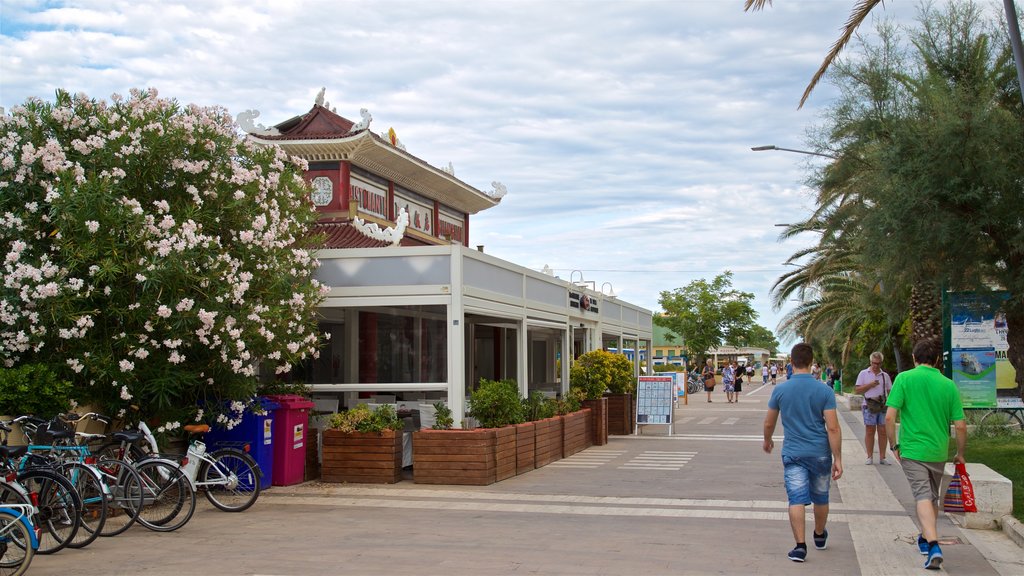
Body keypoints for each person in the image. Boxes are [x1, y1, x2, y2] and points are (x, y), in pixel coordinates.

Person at [886, 338, 966, 571]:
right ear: (938, 360)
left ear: (914, 358)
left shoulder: (904, 379)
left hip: (912, 449)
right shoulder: (948, 384)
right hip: (938, 450)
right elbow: (960, 425)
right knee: (931, 496)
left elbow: (890, 417)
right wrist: (960, 454)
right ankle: (924, 538)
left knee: (923, 495)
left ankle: (933, 545)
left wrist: (894, 445)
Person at [763, 343, 843, 563]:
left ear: (791, 362)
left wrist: (767, 440)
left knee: (796, 499)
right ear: (811, 363)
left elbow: (769, 422)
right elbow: (833, 427)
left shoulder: (780, 389)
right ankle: (819, 534)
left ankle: (800, 547)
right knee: (821, 496)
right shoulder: (824, 390)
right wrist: (838, 458)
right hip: (820, 453)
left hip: (793, 453)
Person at [855, 351, 893, 465]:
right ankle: (869, 456)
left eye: (878, 363)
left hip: (882, 406)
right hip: (868, 405)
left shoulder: (884, 376)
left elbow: (890, 391)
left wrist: (890, 404)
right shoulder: (863, 373)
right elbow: (857, 390)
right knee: (870, 430)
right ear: (870, 362)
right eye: (874, 363)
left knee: (882, 431)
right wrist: (870, 385)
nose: (876, 366)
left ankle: (882, 457)